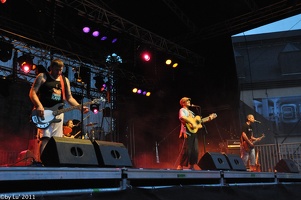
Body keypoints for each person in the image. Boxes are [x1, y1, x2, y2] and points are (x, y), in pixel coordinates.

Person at [29, 59, 89, 159]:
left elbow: (69, 97)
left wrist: (80, 107)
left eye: (61, 70)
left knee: (56, 140)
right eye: (57, 70)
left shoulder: (64, 80)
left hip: (59, 113)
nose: (59, 72)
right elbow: (32, 93)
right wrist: (39, 105)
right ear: (51, 68)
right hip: (45, 113)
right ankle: (42, 161)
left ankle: (53, 162)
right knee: (45, 138)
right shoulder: (43, 77)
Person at [176, 97, 215, 170]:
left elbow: (197, 123)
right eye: (187, 101)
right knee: (186, 150)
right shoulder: (182, 110)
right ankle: (180, 165)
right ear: (183, 103)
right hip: (186, 132)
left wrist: (209, 118)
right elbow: (182, 117)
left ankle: (192, 165)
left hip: (193, 132)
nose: (189, 101)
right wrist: (192, 123)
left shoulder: (192, 112)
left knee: (195, 150)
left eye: (189, 100)